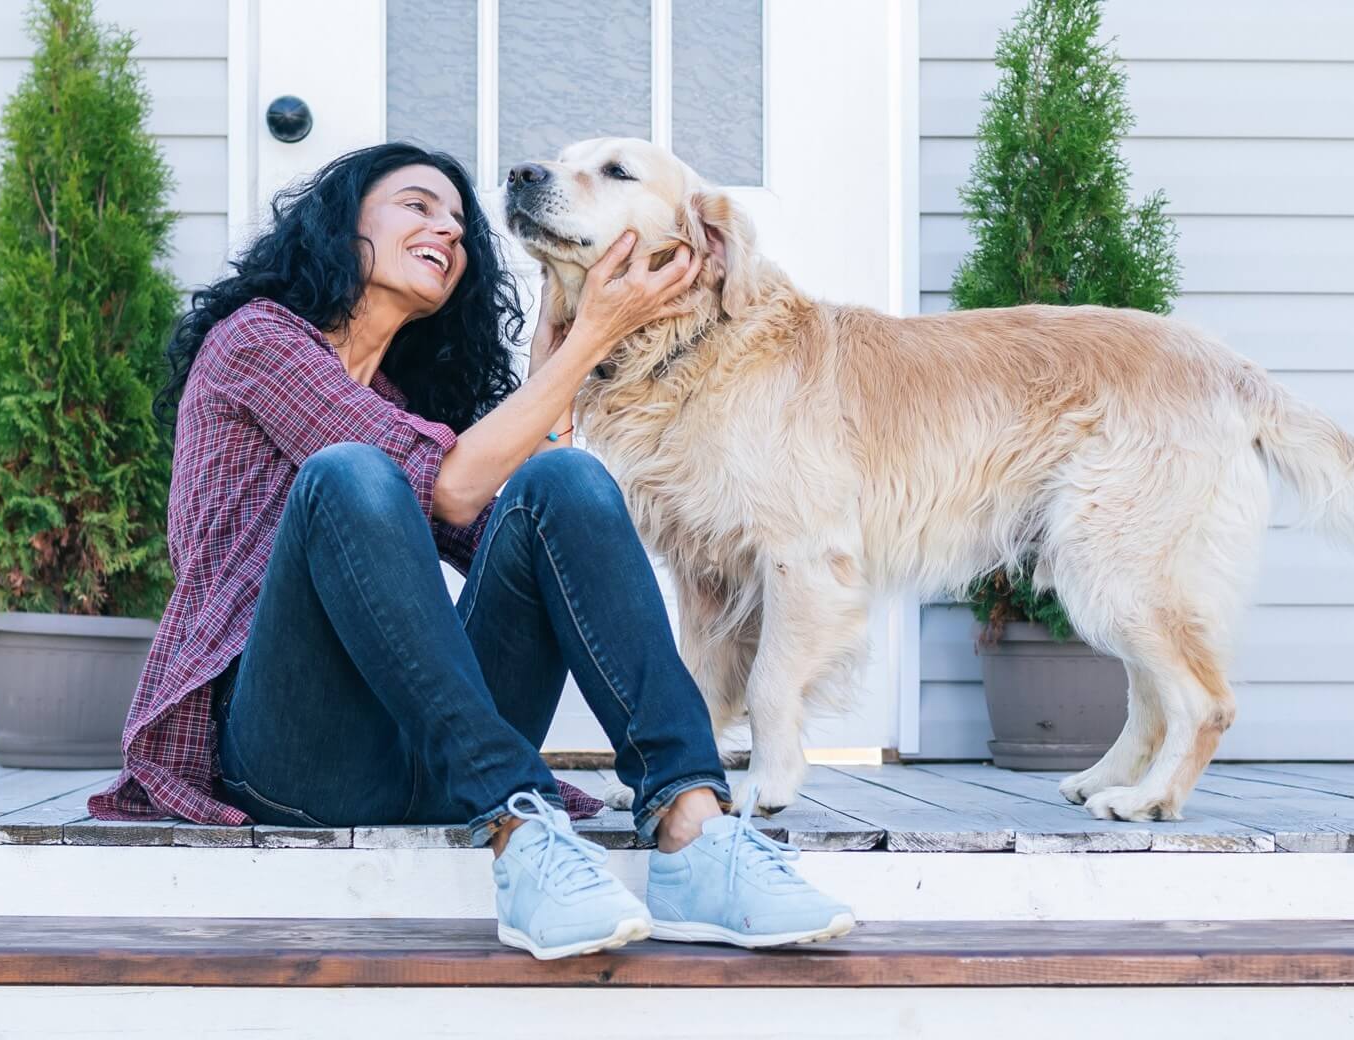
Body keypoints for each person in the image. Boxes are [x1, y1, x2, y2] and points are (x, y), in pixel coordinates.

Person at [86, 143, 853, 959]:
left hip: (431, 755)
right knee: (350, 473)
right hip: (291, 756)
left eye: (458, 225)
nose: (447, 232)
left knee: (565, 481)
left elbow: (528, 543)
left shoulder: (395, 403)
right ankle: (519, 839)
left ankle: (692, 827)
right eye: (417, 206)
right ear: (344, 225)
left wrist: (554, 380)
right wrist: (590, 341)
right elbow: (447, 489)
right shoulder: (258, 345)